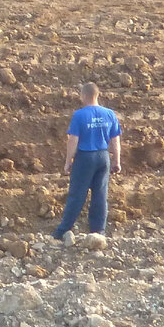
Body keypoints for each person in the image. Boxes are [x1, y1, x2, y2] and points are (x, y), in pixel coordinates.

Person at [53, 82, 122, 241]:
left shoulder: (79, 115)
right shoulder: (110, 114)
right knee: (100, 195)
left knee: (77, 194)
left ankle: (63, 230)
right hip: (103, 157)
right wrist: (116, 161)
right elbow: (115, 140)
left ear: (84, 96)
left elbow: (73, 140)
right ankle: (99, 231)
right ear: (97, 95)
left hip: (85, 157)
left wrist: (68, 161)